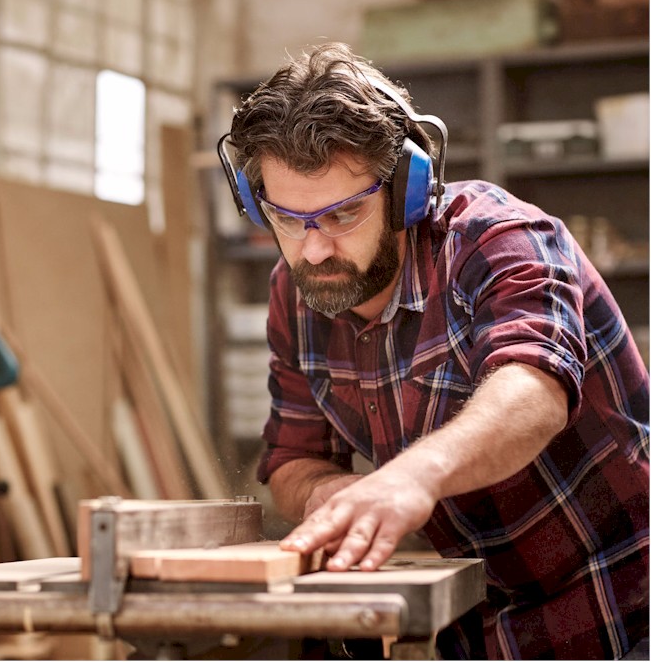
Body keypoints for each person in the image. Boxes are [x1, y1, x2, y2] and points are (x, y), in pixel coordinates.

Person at [218, 42, 649, 660]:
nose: (313, 251)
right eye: (288, 219)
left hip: (624, 606)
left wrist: (409, 478)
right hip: (478, 625)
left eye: (341, 216)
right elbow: (292, 456)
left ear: (406, 192)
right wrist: (322, 491)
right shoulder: (296, 292)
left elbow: (535, 388)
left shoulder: (499, 239)